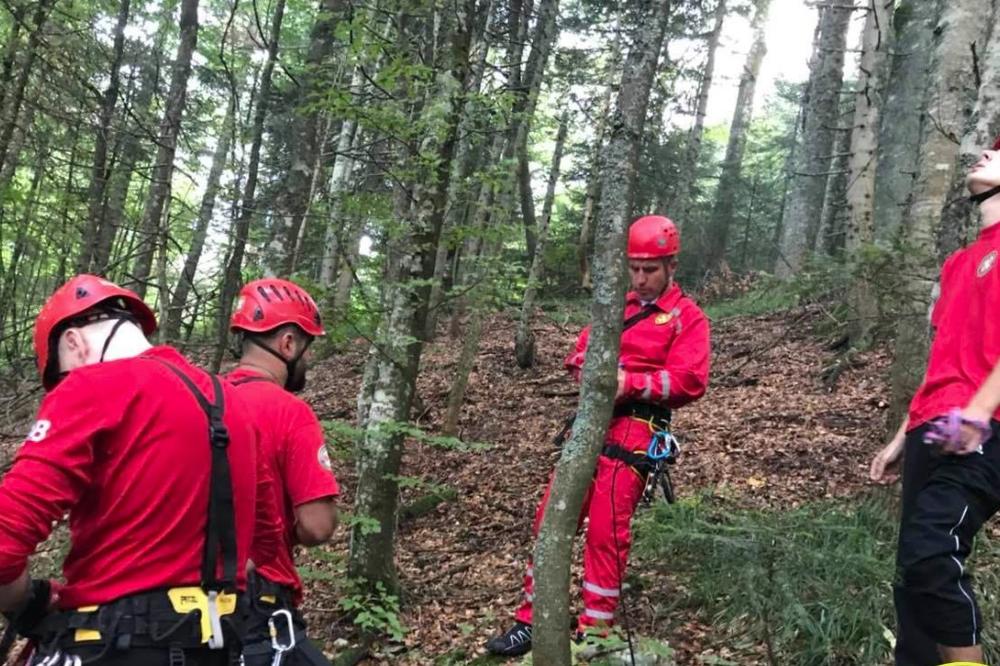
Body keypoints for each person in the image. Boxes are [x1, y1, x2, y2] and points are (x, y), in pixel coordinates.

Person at [0, 274, 279, 666]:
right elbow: (265, 541)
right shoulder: (233, 404)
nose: (63, 387)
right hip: (220, 646)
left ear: (73, 343)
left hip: (113, 643)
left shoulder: (92, 387)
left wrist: (32, 600)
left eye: (60, 377)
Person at [486, 215, 711, 657]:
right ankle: (532, 620)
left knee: (607, 529)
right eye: (635, 268)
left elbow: (689, 380)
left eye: (650, 269)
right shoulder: (617, 310)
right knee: (552, 516)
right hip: (592, 421)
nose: (641, 278)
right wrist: (594, 371)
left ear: (670, 267)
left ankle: (597, 631)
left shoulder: (687, 317)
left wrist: (630, 381)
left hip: (639, 426)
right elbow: (578, 354)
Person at [870, 136, 1000, 666]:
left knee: (933, 551)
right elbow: (942, 359)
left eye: (999, 151)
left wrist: (979, 409)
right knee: (914, 574)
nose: (984, 154)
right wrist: (902, 435)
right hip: (934, 426)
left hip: (986, 429)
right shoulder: (958, 264)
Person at [225, 278, 340, 666]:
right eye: (307, 346)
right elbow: (317, 526)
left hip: (189, 608)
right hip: (261, 607)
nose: (307, 359)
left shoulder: (203, 401)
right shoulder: (291, 413)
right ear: (288, 343)